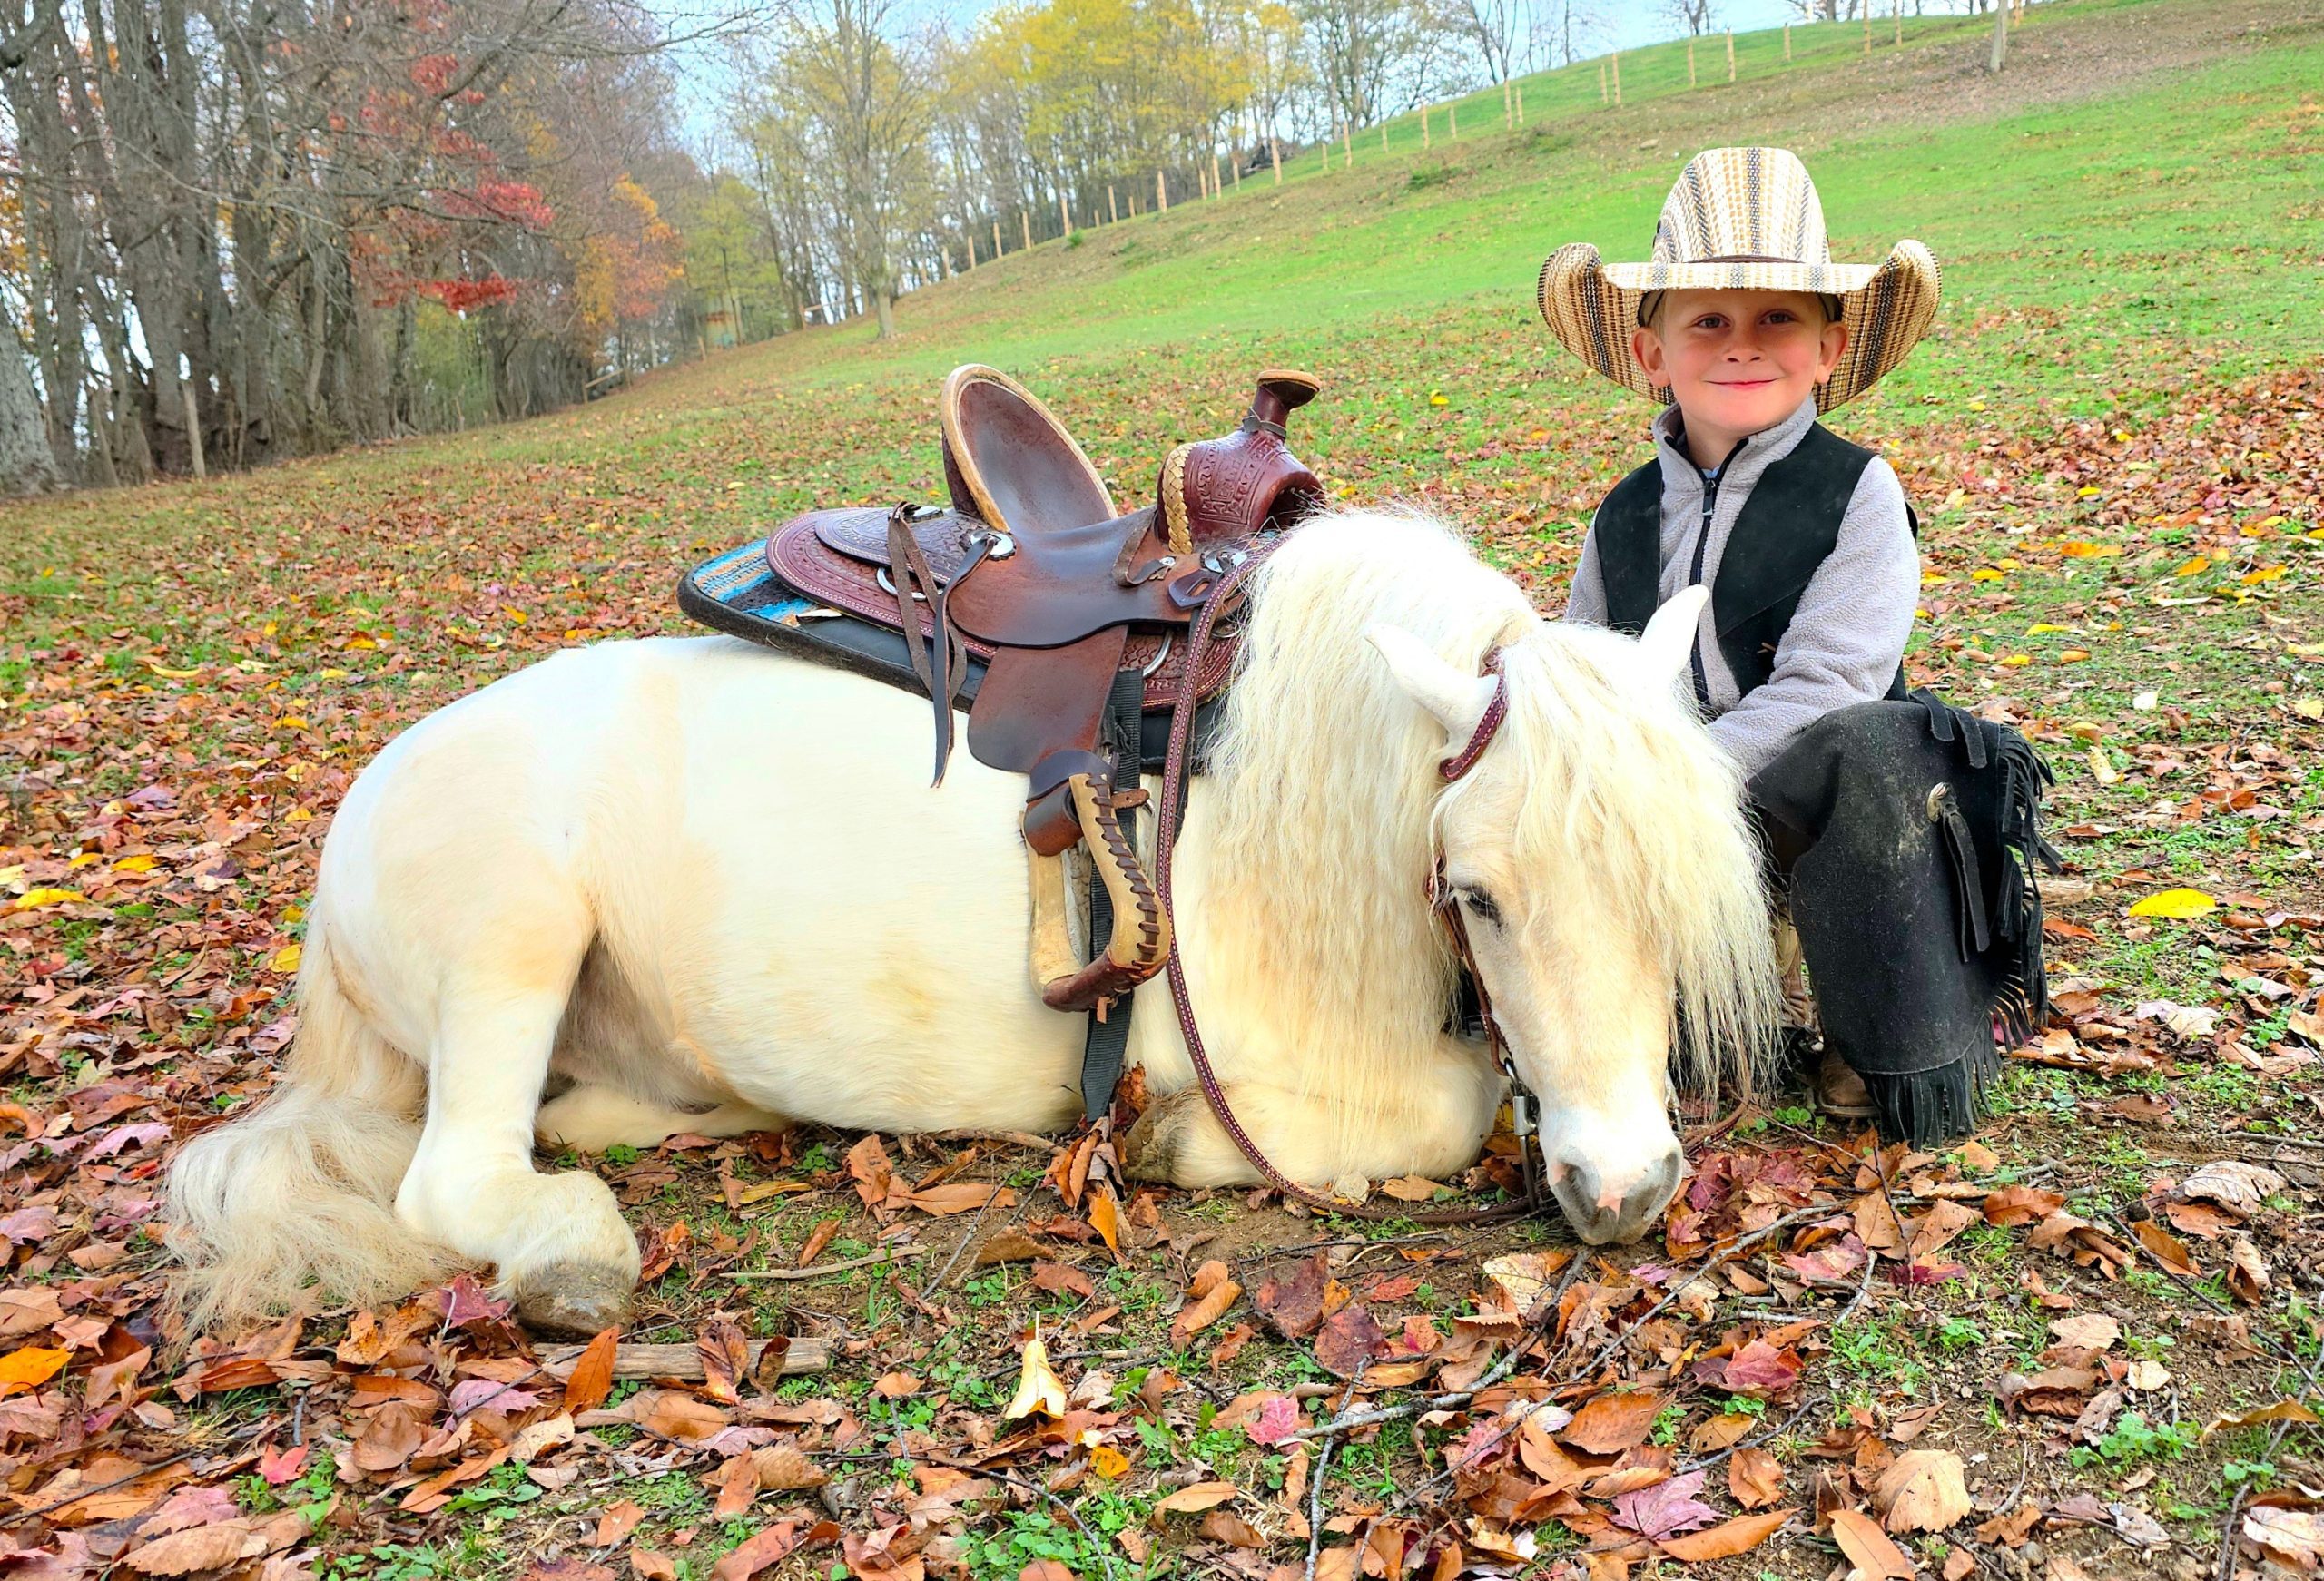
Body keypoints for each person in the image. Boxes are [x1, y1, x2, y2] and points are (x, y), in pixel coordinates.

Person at [1537, 147, 2054, 1146]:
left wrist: (1660, 779)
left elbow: (1828, 680)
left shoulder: (1856, 491)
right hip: (1661, 819)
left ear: (1828, 348)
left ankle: (1877, 1026)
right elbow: (1586, 665)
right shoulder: (1624, 514)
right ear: (1652, 354)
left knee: (1872, 738)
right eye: (1707, 322)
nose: (1742, 345)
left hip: (1807, 810)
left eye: (1777, 317)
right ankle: (1683, 1006)